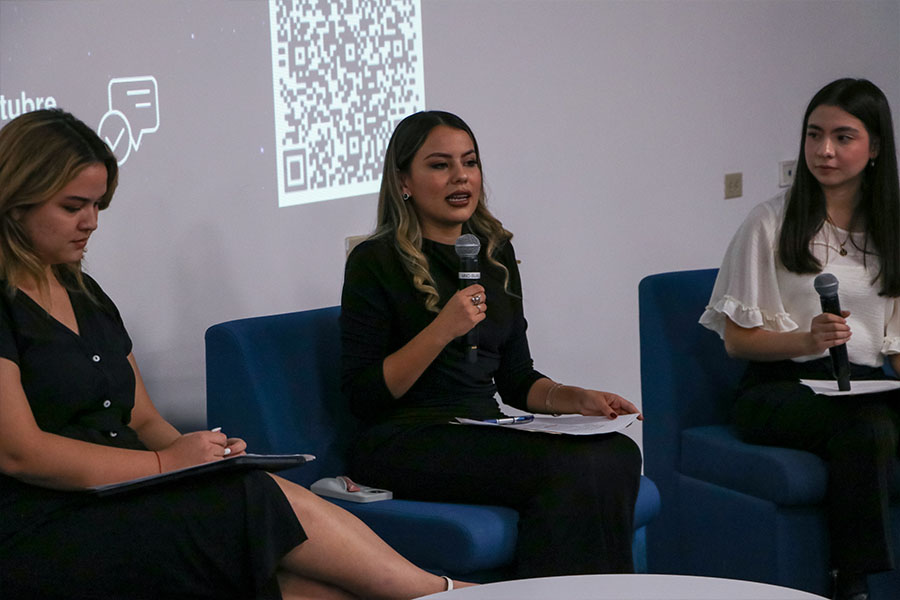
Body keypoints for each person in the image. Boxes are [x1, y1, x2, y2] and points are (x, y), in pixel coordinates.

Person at [0, 108, 470, 600]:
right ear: (16, 202)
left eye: (98, 206)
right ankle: (443, 592)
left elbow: (142, 418)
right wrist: (164, 464)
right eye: (73, 206)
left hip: (124, 498)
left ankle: (439, 592)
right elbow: (18, 452)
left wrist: (205, 457)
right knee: (251, 500)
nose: (91, 223)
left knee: (294, 562)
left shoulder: (85, 293)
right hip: (44, 519)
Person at [340, 110, 643, 577]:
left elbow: (518, 380)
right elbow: (364, 394)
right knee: (570, 470)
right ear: (404, 180)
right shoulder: (374, 261)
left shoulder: (494, 252)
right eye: (440, 165)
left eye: (470, 162)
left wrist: (576, 399)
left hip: (484, 425)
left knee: (619, 453)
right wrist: (443, 327)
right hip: (404, 437)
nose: (461, 176)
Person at [699, 78, 900, 600]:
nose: (824, 150)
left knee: (870, 415)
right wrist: (806, 340)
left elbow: (894, 348)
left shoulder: (891, 230)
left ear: (875, 147)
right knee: (866, 428)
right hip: (779, 387)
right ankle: (851, 582)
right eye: (814, 135)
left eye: (842, 136)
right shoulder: (769, 221)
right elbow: (738, 342)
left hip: (865, 384)